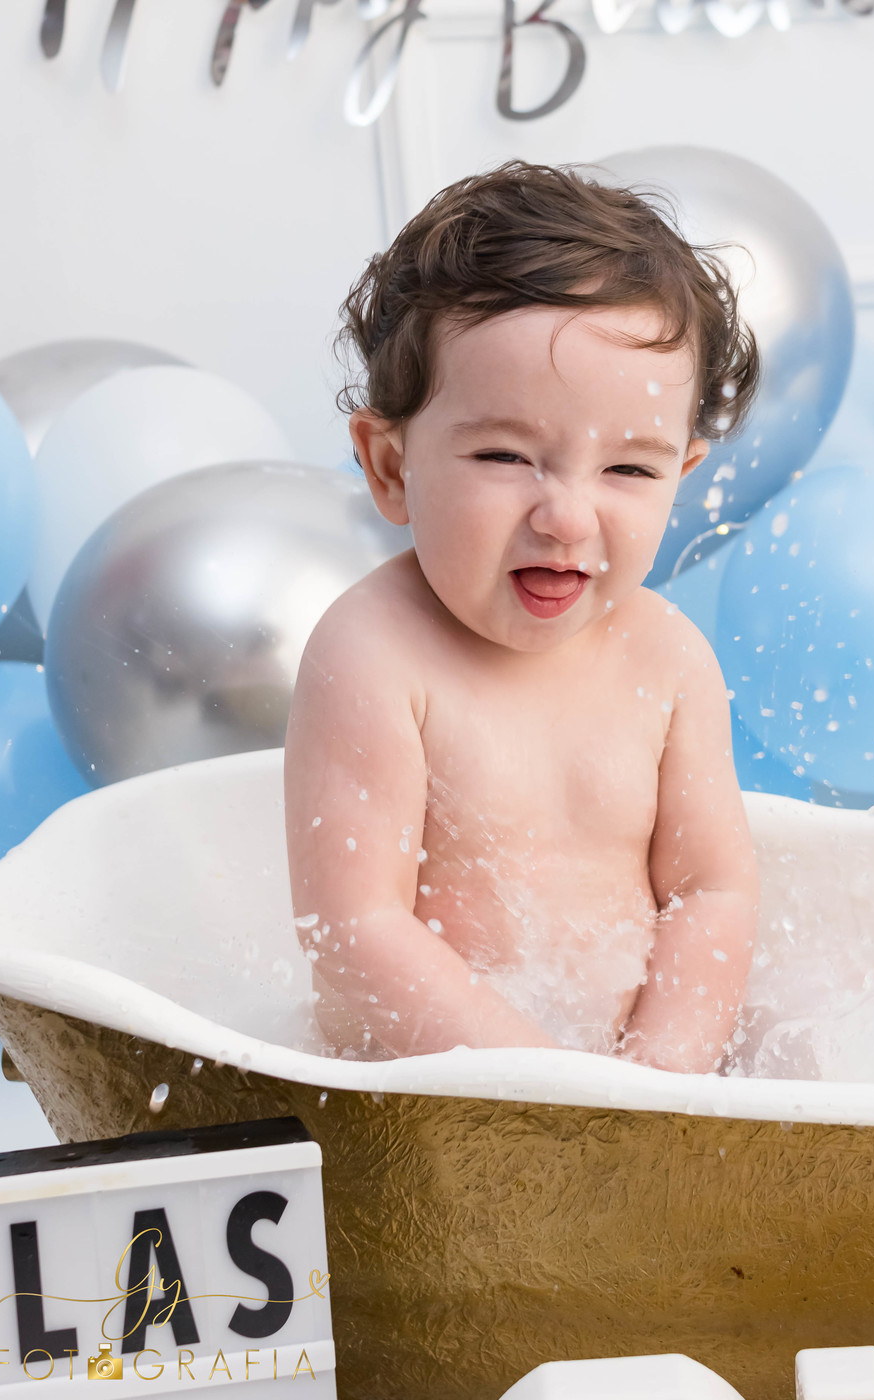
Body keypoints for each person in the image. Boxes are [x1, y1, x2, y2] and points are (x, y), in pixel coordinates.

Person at [284, 161, 760, 1073]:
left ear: (683, 479)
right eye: (506, 455)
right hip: (437, 1104)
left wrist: (660, 1084)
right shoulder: (375, 655)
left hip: (624, 1092)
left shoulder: (668, 658)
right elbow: (355, 930)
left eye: (629, 470)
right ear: (390, 467)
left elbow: (709, 892)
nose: (568, 517)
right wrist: (555, 1092)